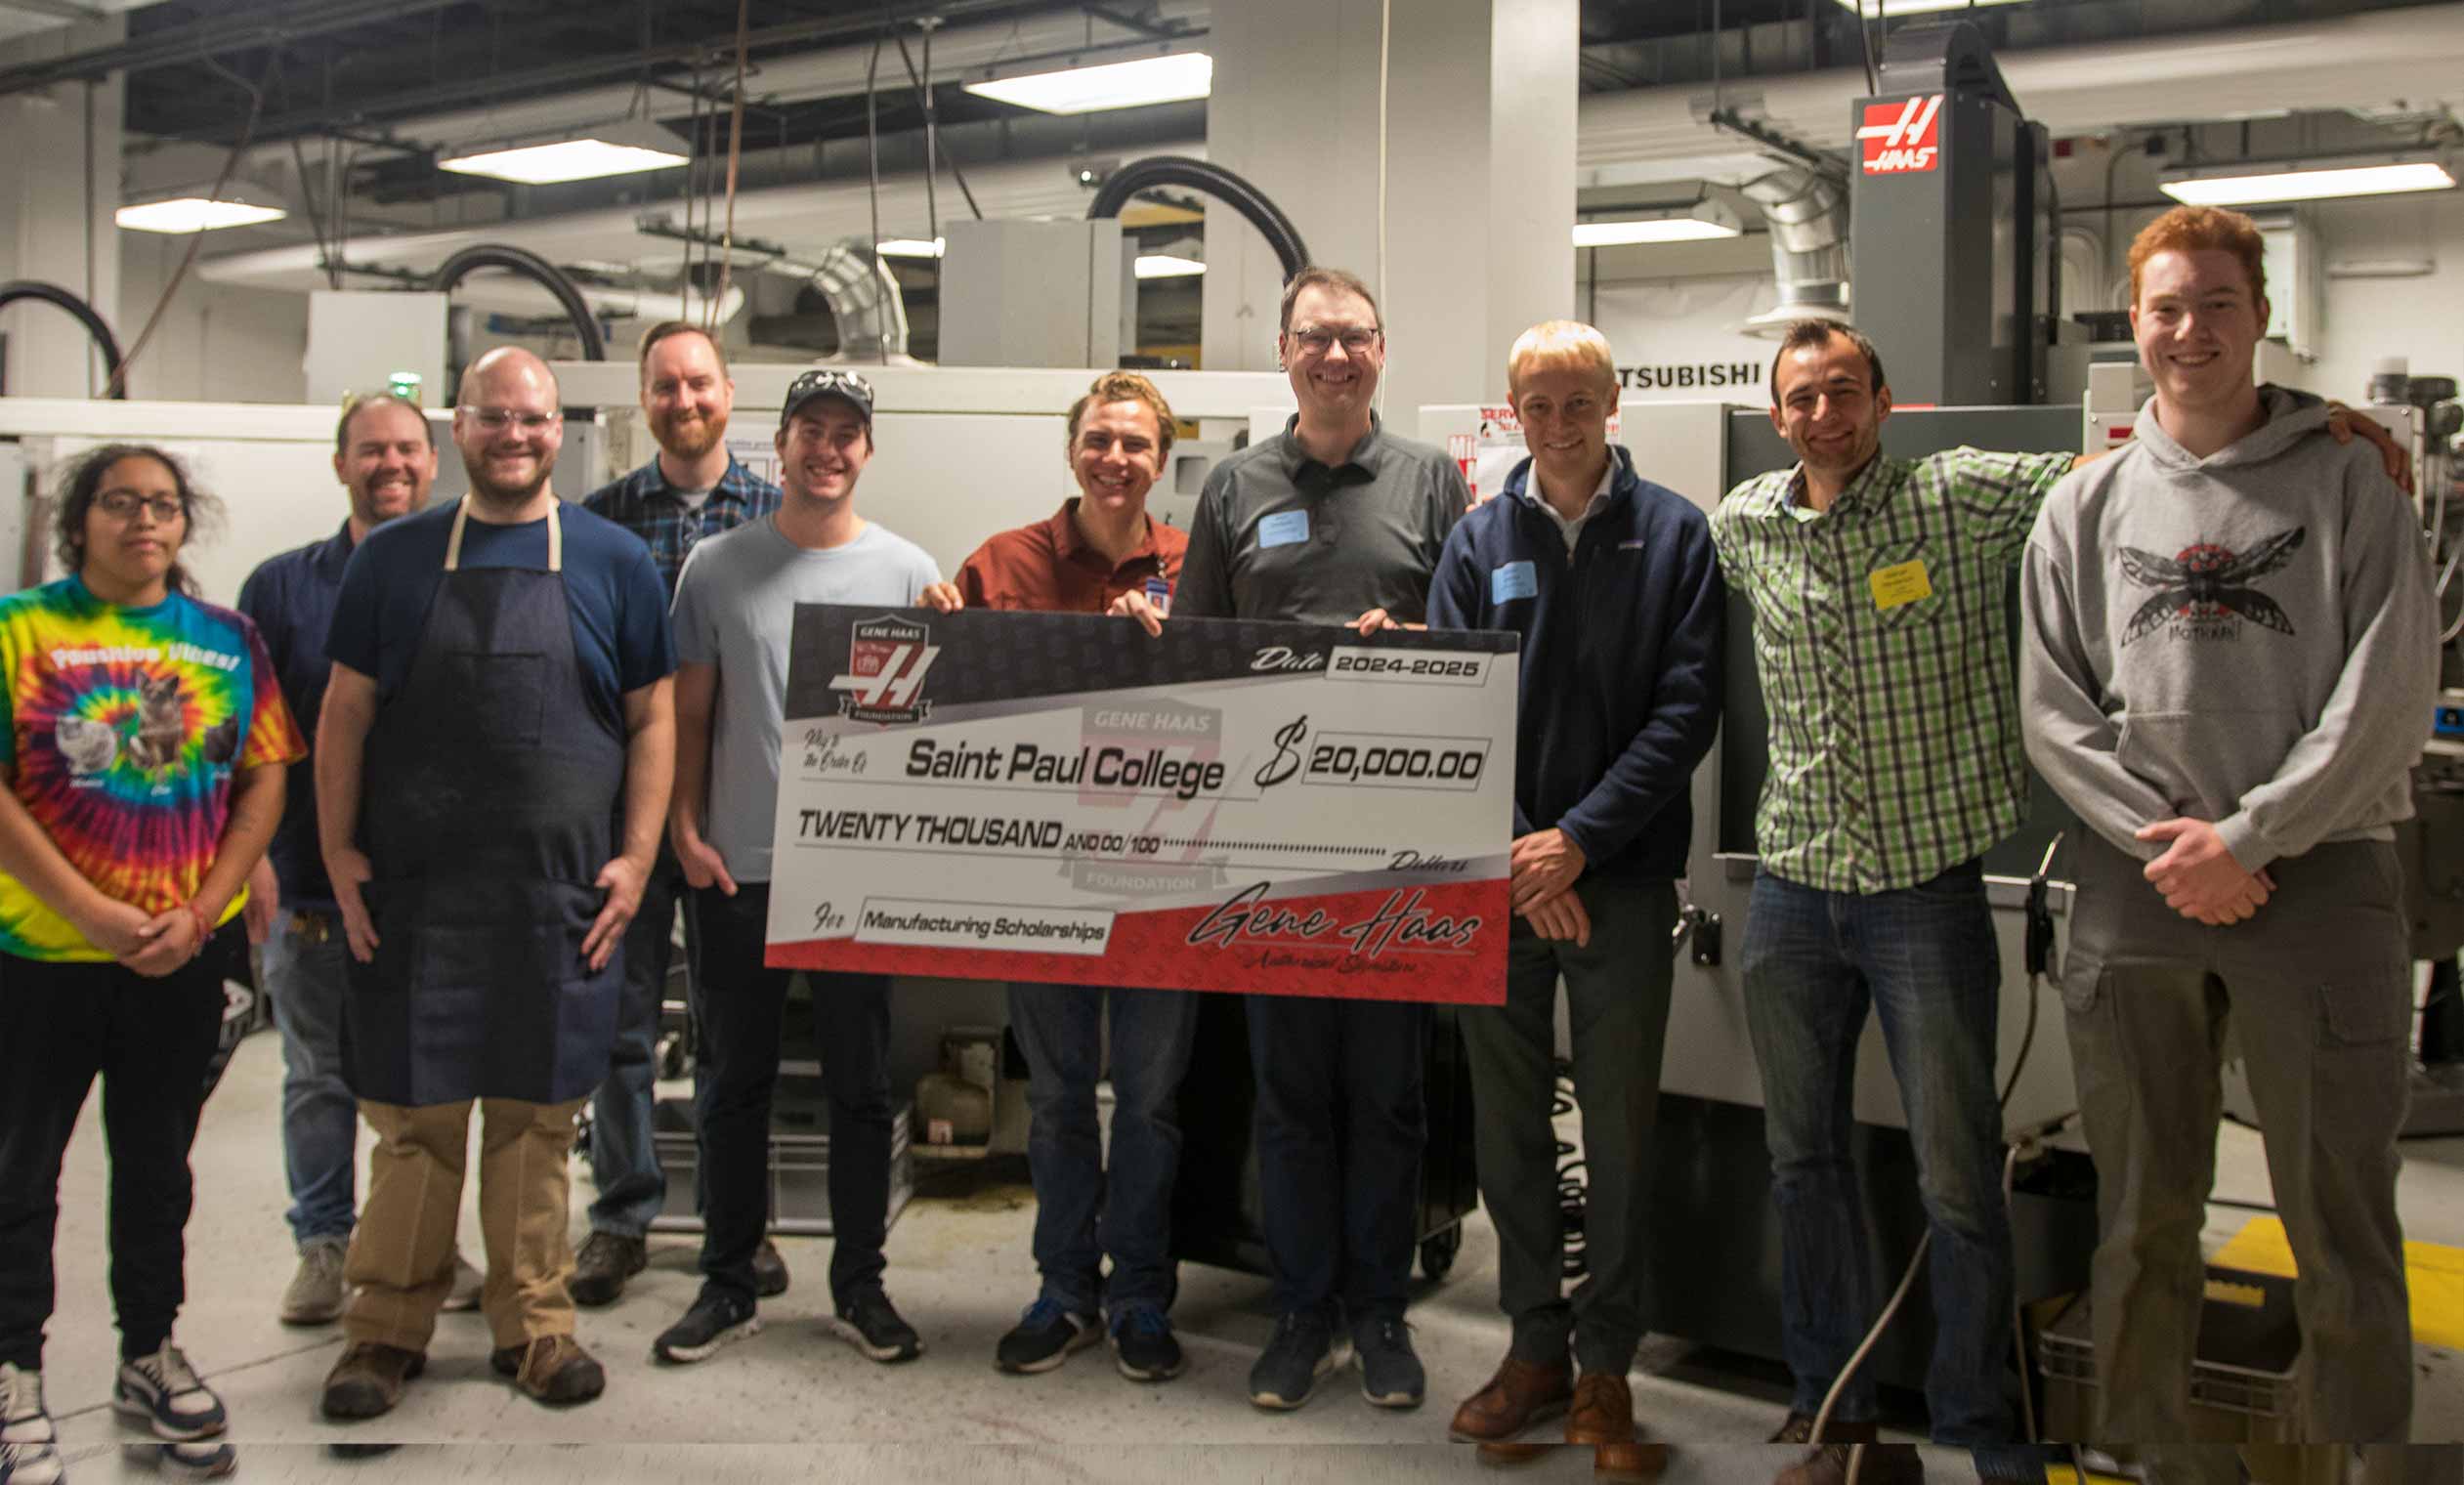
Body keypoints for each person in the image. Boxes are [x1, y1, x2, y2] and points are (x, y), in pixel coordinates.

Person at [1714, 319, 2403, 1485]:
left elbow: (2153, 456)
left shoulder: (1970, 497)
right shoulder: (1742, 525)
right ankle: (1829, 1416)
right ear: (1774, 415)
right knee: (1801, 1164)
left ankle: (1983, 1426)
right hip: (1789, 889)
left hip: (1924, 892)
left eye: (1844, 391)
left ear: (1886, 401)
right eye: (1800, 398)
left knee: (1955, 1176)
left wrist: (2317, 419)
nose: (1823, 414)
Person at [2021, 204, 2433, 1474]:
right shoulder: (2079, 505)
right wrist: (2178, 847)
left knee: (2338, 1212)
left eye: (2212, 302)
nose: (2187, 329)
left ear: (2260, 314)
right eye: (2163, 307)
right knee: (2140, 1211)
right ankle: (2153, 1456)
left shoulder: (2349, 481)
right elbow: (2050, 709)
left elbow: (2388, 690)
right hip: (2138, 887)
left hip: (2320, 883)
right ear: (2130, 324)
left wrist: (2250, 837)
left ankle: (2364, 1455)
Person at [1115, 266, 1470, 1414]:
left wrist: (1414, 637)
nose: (1333, 356)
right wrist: (1147, 640)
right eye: (1313, 338)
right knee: (1287, 1091)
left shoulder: (1430, 480)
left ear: (1381, 350)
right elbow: (1205, 652)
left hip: (1399, 843)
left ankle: (1377, 1309)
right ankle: (1301, 1305)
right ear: (1282, 352)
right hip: (1268, 839)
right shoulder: (1234, 484)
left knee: (1387, 1090)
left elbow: (1465, 646)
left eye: (1353, 338)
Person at [315, 348, 676, 1419]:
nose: (514, 435)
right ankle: (384, 1329)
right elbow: (343, 712)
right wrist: (336, 852)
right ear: (456, 428)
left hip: (557, 900)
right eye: (492, 417)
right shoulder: (392, 560)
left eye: (532, 418)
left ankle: (537, 1327)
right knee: (414, 1127)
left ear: (557, 428)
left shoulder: (614, 561)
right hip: (416, 902)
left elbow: (654, 718)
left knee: (536, 1125)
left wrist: (638, 853)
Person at [1427, 321, 1723, 1479]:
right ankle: (1532, 1349)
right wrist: (1516, 851)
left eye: (1576, 401)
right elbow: (1451, 705)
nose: (1557, 423)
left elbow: (1684, 709)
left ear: (1612, 401)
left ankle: (1607, 1368)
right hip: (1498, 884)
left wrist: (1579, 845)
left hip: (1623, 882)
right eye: (1535, 404)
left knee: (1619, 1132)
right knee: (1504, 1133)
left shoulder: (1673, 535)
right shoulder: (1474, 540)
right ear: (1510, 411)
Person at [0, 445, 305, 1483]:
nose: (145, 520)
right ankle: (13, 1373)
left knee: (156, 1169)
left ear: (186, 524)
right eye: (120, 502)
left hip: (179, 951)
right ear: (79, 519)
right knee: (18, 1172)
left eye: (164, 505)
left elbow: (263, 779)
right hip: (39, 954)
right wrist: (87, 907)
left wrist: (209, 904)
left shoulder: (227, 640)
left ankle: (148, 1349)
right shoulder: (19, 630)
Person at [650, 368, 943, 1368]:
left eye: (846, 432)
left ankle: (859, 1285)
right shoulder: (715, 567)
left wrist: (962, 634)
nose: (828, 448)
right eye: (810, 429)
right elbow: (689, 713)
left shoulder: (909, 571)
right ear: (779, 443)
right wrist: (684, 827)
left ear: (867, 449)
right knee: (734, 1080)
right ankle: (727, 1282)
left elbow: (924, 737)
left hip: (855, 875)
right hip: (738, 866)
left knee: (863, 1085)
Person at [924, 370, 1200, 1381]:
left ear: (1159, 458)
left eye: (1134, 442)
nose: (1114, 457)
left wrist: (1183, 644)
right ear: (1072, 449)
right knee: (1053, 1100)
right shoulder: (1000, 564)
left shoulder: (1194, 566)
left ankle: (1137, 1297)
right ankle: (1062, 1288)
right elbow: (946, 708)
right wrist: (936, 628)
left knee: (1150, 1101)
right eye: (1098, 438)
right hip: (1038, 881)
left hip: (1165, 879)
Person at [237, 393, 483, 1328]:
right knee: (318, 1076)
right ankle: (324, 1245)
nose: (393, 464)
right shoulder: (280, 587)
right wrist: (252, 857)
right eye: (372, 449)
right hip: (307, 883)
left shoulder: (467, 576)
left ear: (434, 463)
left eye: (409, 450)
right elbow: (247, 739)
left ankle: (422, 1246)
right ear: (341, 464)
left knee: (424, 1086)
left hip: (434, 889)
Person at [573, 320, 788, 1310]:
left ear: (729, 392)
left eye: (698, 382)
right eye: (664, 386)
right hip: (620, 813)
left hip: (730, 811)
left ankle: (742, 1219)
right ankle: (621, 1213)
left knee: (730, 1032)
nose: (683, 399)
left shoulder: (781, 514)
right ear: (643, 399)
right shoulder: (597, 522)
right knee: (617, 1025)